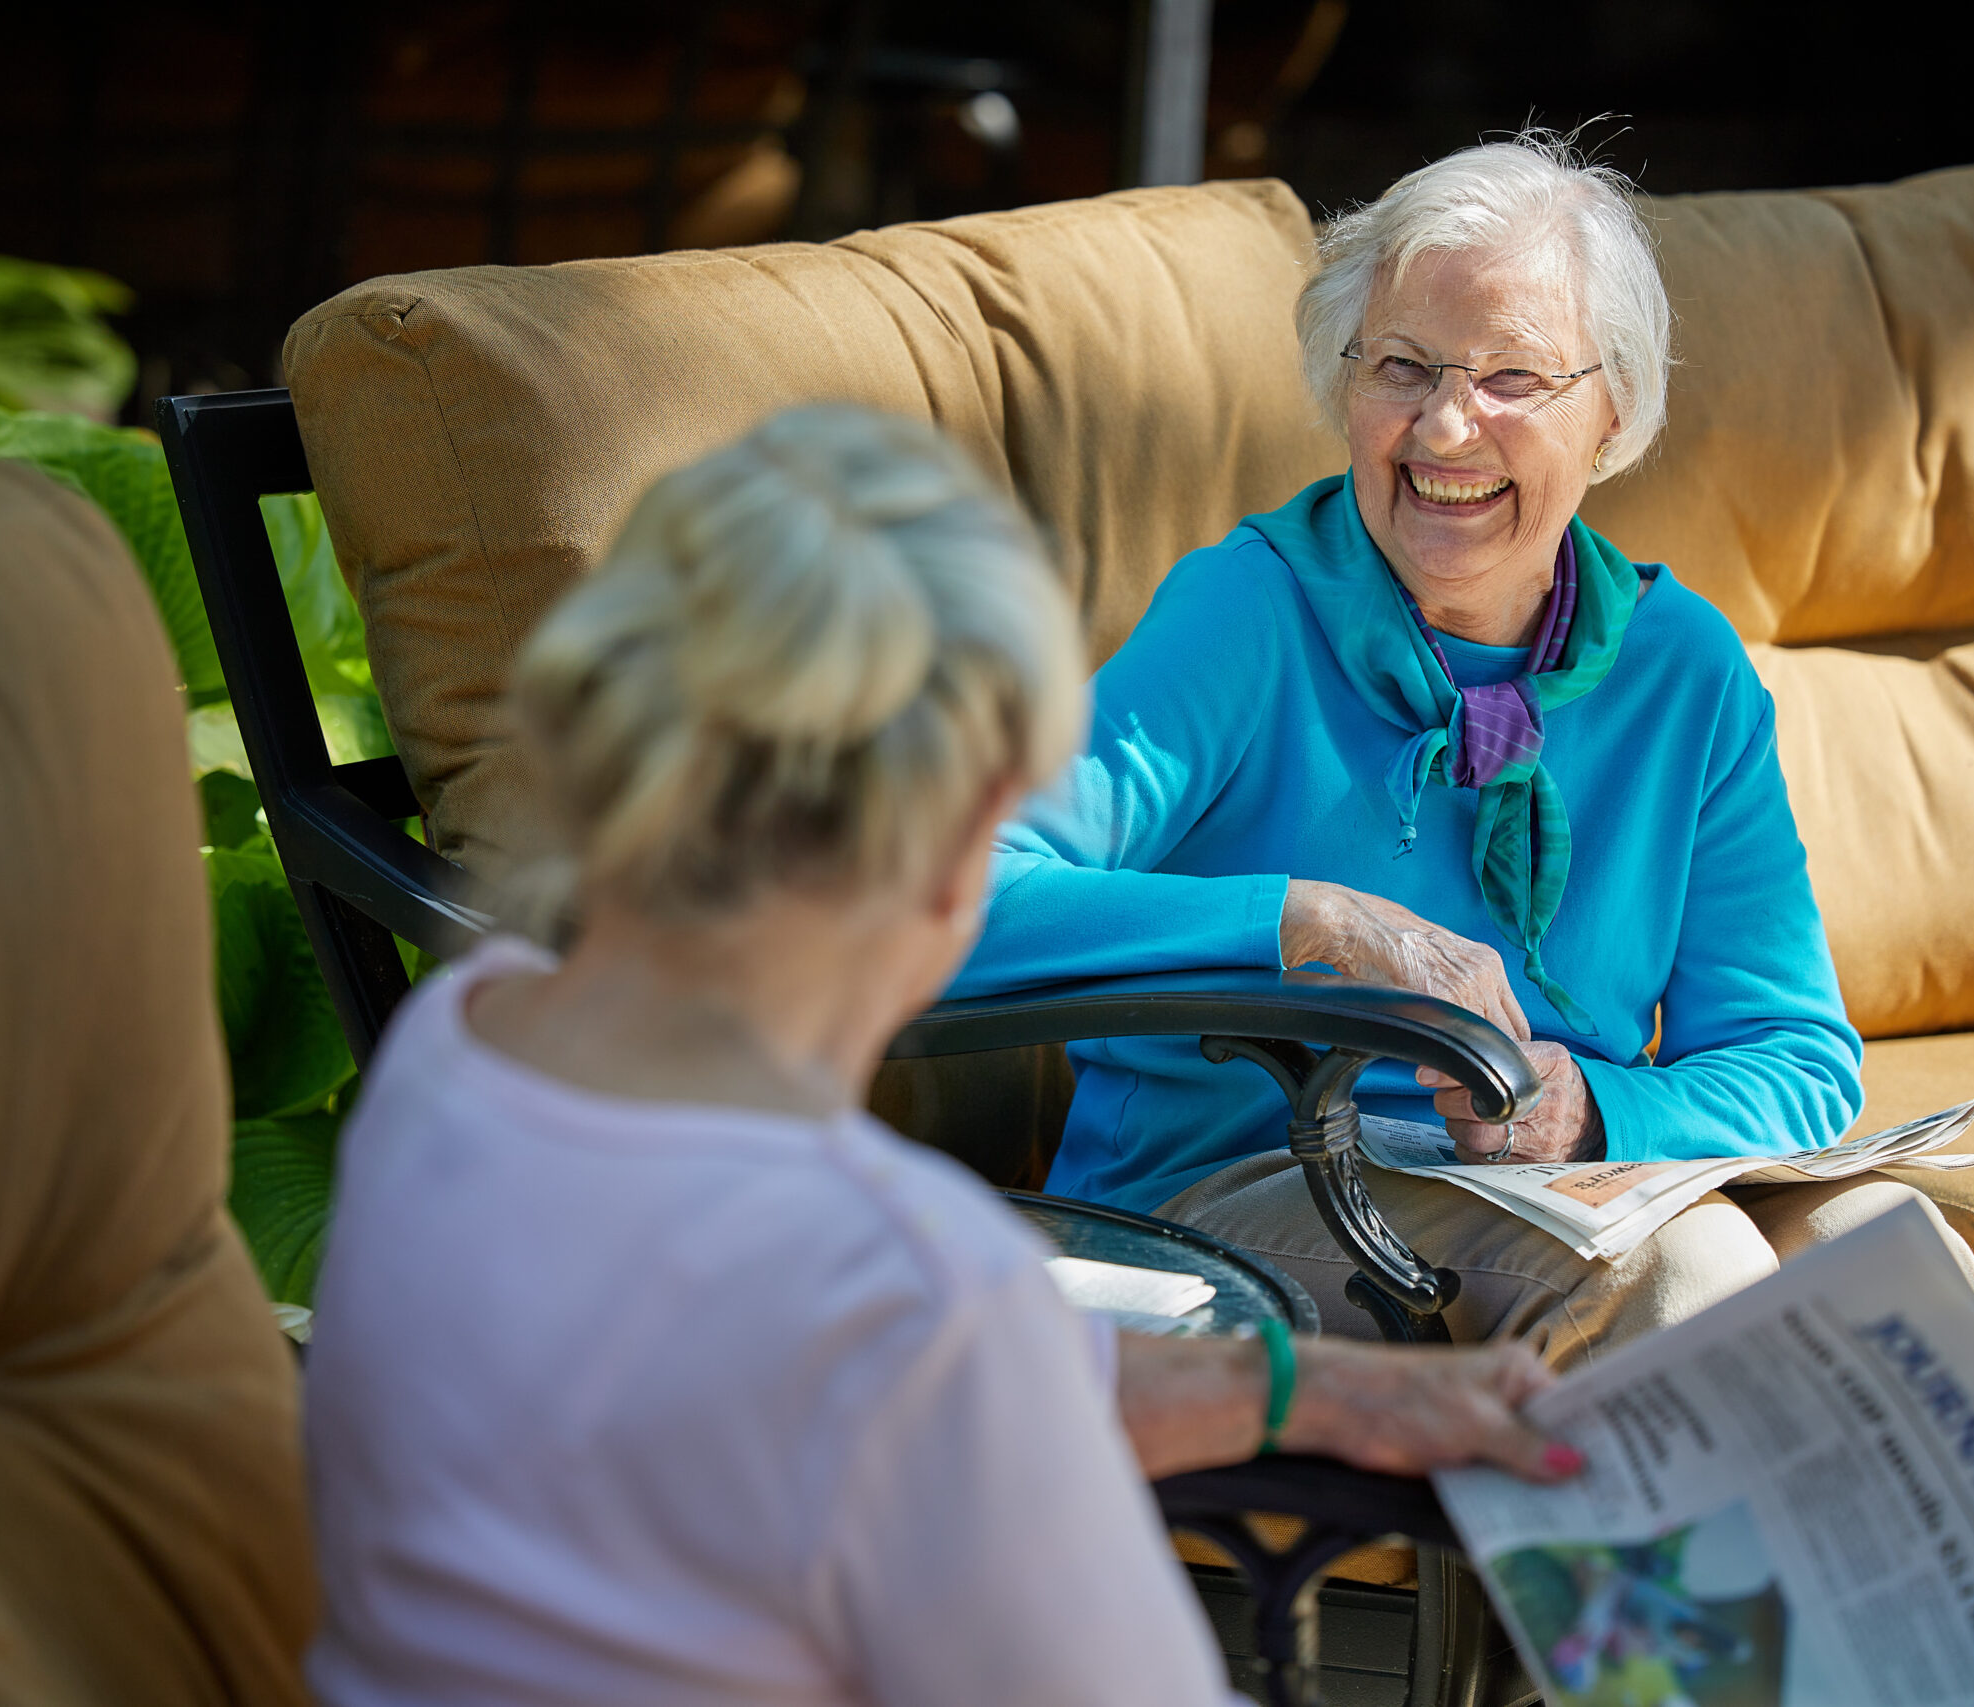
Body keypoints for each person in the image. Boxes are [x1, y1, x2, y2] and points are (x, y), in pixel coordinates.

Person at [301, 406, 1581, 1707]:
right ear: (954, 849)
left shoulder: (466, 1049)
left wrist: (1298, 1387)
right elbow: (919, 1380)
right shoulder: (905, 1281)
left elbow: (839, 1397)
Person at [949, 133, 1974, 1361]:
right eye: (1402, 366)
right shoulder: (1245, 615)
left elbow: (1795, 1055)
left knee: (1891, 1251)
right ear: (1344, 386)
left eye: (1510, 378)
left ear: (1611, 413)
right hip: (1230, 1193)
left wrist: (1590, 1110)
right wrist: (1303, 924)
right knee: (1683, 1271)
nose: (1445, 429)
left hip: (1559, 1187)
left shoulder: (1682, 671)